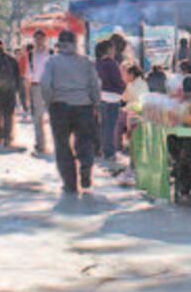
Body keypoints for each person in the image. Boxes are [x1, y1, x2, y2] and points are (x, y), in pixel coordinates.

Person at [40, 30, 101, 194]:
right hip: (84, 106)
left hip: (59, 107)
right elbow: (95, 85)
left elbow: (45, 85)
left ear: (59, 44)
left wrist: (49, 101)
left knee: (62, 145)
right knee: (85, 140)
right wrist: (96, 102)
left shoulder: (51, 62)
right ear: (76, 44)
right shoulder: (86, 62)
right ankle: (86, 167)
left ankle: (70, 183)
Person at [95, 39, 126, 165]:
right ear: (108, 49)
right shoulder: (111, 63)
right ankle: (109, 153)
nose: (114, 51)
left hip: (101, 97)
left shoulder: (97, 63)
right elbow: (117, 81)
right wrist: (123, 87)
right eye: (112, 48)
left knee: (103, 126)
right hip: (112, 97)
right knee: (110, 127)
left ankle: (102, 150)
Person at [27, 30, 52, 154]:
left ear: (45, 39)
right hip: (36, 86)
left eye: (41, 38)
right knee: (38, 117)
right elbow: (29, 73)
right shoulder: (31, 54)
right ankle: (40, 144)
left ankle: (58, 144)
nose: (39, 41)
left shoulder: (51, 53)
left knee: (54, 116)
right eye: (36, 39)